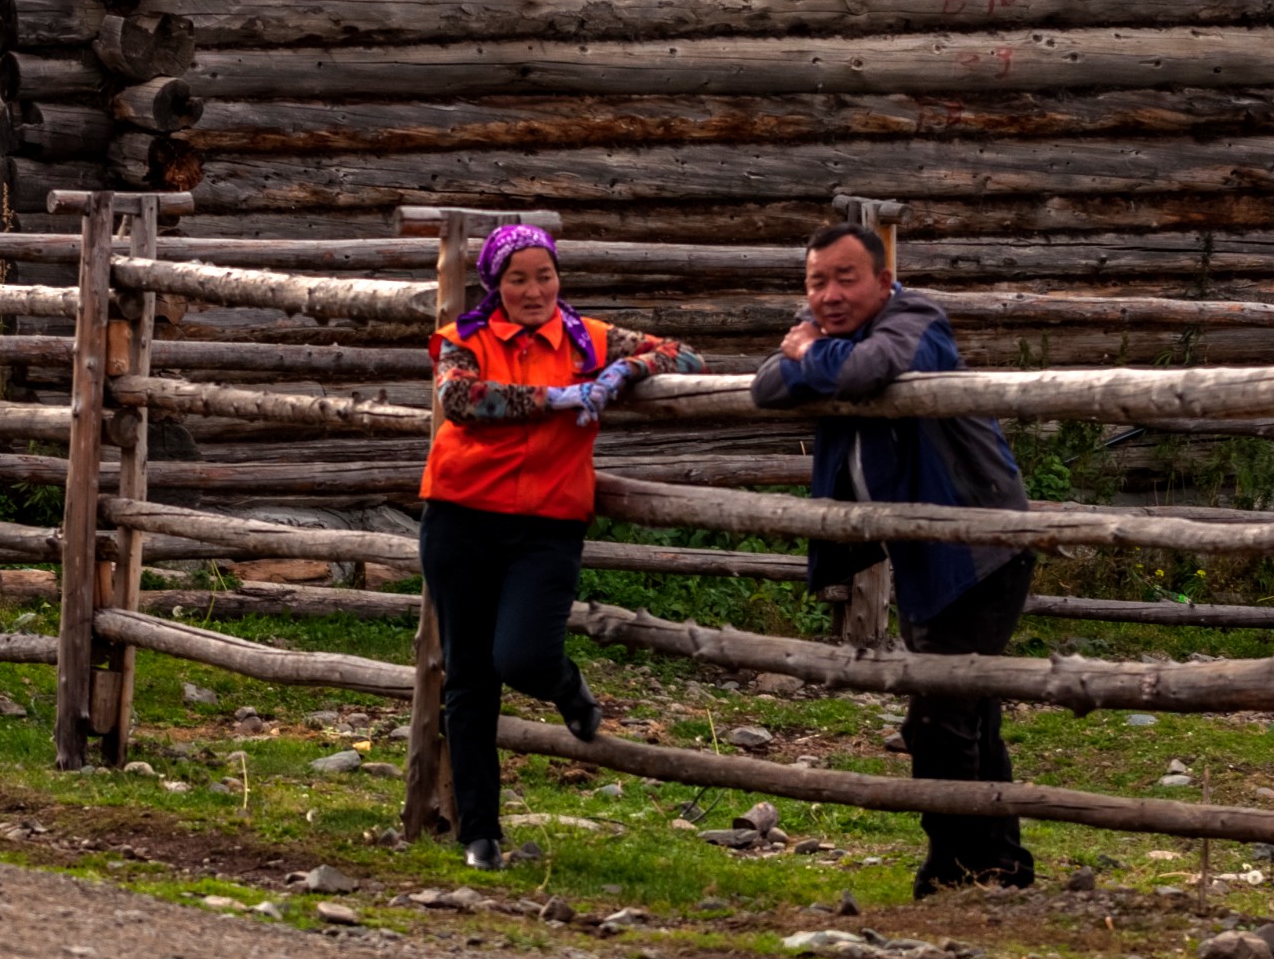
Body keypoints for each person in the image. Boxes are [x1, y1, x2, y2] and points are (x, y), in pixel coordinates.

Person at [750, 222, 1035, 897]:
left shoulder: (917, 319)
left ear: (883, 280)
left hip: (979, 548)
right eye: (817, 281)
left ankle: (956, 865)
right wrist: (811, 354)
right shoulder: (825, 330)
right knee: (968, 709)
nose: (830, 293)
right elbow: (767, 385)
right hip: (927, 552)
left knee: (937, 718)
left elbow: (868, 372)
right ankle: (995, 863)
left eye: (846, 278)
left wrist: (811, 356)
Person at [419, 224, 703, 870]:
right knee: (468, 678)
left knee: (522, 655)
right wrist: (558, 397)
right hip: (461, 515)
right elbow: (461, 399)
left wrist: (624, 371)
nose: (533, 290)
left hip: (547, 523)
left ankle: (566, 687)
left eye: (544, 275)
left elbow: (684, 356)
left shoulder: (588, 338)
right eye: (517, 278)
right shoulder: (465, 339)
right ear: (496, 284)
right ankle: (481, 834)